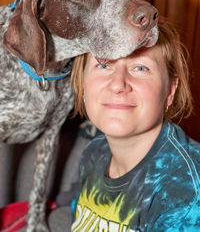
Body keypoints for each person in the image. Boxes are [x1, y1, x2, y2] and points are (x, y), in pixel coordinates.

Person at [70, 18, 200, 232]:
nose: (118, 84)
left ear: (169, 91)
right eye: (103, 65)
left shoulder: (186, 193)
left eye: (140, 68)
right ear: (83, 84)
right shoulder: (93, 152)